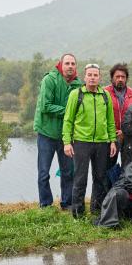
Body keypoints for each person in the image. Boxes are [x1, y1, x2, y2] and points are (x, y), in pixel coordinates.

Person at [62, 63, 117, 218]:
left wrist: (112, 140)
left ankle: (96, 210)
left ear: (100, 78)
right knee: (80, 178)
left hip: (102, 143)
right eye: (90, 75)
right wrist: (67, 142)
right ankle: (78, 213)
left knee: (100, 178)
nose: (92, 78)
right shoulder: (76, 94)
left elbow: (110, 121)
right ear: (84, 77)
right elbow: (68, 120)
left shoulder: (105, 95)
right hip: (81, 141)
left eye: (95, 75)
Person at [34, 53, 83, 210]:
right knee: (44, 173)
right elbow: (45, 106)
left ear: (76, 67)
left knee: (68, 172)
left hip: (66, 136)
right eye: (67, 63)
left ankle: (67, 203)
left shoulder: (78, 85)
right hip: (46, 133)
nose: (70, 66)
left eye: (72, 64)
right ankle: (46, 204)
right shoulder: (49, 80)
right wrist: (68, 111)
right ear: (60, 65)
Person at [94, 144, 132, 227]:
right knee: (122, 193)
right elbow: (130, 184)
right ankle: (110, 221)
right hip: (118, 197)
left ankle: (126, 218)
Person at [105, 63, 132, 167]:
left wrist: (124, 132)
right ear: (112, 78)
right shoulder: (104, 92)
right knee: (107, 171)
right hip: (110, 138)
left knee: (128, 169)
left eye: (123, 77)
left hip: (129, 138)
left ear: (126, 78)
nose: (120, 79)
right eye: (117, 77)